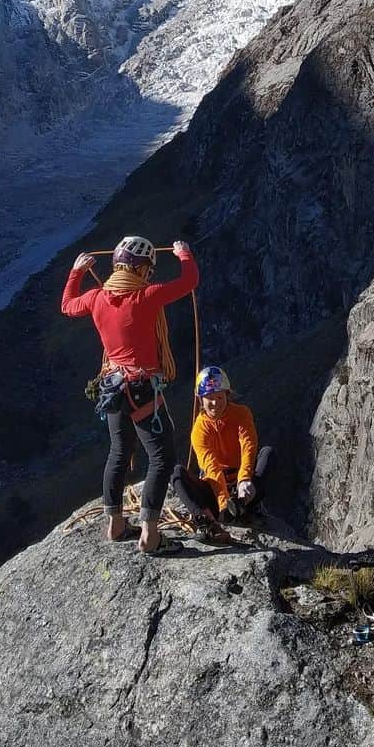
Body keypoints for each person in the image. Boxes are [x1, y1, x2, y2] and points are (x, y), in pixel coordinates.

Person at [62, 236, 198, 556]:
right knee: (162, 458)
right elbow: (190, 280)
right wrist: (184, 254)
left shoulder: (96, 298)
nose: (150, 275)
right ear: (140, 269)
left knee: (119, 451)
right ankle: (150, 537)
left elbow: (67, 306)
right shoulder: (147, 297)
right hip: (141, 387)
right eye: (148, 269)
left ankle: (116, 524)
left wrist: (76, 272)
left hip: (111, 384)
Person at [170, 366, 275, 543]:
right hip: (216, 490)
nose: (215, 403)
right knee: (176, 473)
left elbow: (248, 446)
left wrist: (244, 480)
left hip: (244, 487)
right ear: (200, 399)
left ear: (227, 395)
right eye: (209, 398)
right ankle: (207, 522)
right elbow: (211, 467)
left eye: (219, 397)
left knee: (268, 453)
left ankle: (248, 505)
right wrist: (223, 502)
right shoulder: (199, 429)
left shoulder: (241, 414)